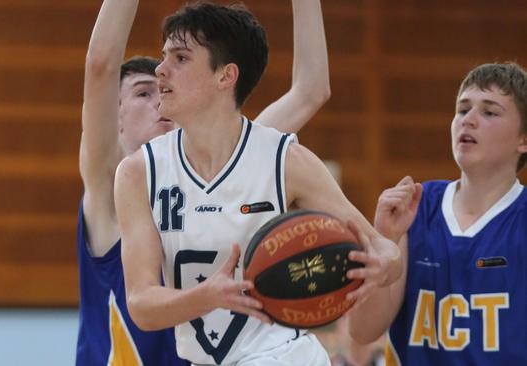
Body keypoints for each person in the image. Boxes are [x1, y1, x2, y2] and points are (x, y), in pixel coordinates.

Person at [114, 2, 402, 365]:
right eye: (164, 55)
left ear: (225, 76)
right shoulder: (138, 172)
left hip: (284, 356)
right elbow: (141, 305)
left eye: (181, 58)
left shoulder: (285, 160)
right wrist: (209, 296)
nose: (161, 69)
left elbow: (383, 250)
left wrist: (385, 264)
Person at [76, 0, 331, 364]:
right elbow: (101, 66)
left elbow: (311, 91)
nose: (159, 92)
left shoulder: (238, 155)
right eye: (142, 93)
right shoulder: (110, 186)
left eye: (163, 84)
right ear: (113, 118)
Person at [347, 62, 527, 365]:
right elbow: (362, 331)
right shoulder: (416, 206)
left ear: (523, 139)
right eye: (462, 109)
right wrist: (385, 240)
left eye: (489, 112)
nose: (468, 120)